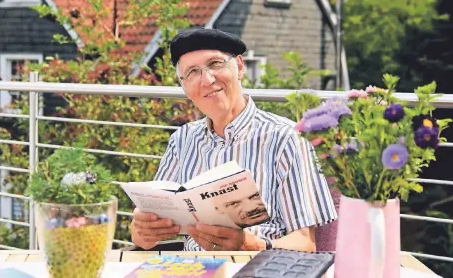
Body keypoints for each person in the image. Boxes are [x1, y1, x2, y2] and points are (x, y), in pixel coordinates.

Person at [131, 28, 338, 252]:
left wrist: (252, 245)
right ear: (185, 88)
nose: (207, 80)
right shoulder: (181, 140)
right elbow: (147, 240)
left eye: (215, 64)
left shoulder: (286, 138)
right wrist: (143, 233)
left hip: (259, 269)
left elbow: (306, 244)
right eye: (192, 72)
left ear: (239, 67)